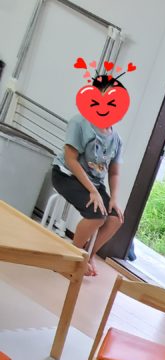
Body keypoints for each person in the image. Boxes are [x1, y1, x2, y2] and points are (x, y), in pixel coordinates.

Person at [51, 74, 125, 275]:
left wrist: (114, 198)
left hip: (94, 184)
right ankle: (73, 258)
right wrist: (92, 191)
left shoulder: (116, 138)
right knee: (97, 216)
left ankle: (88, 255)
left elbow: (114, 172)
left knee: (115, 218)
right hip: (67, 175)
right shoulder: (79, 122)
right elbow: (70, 159)